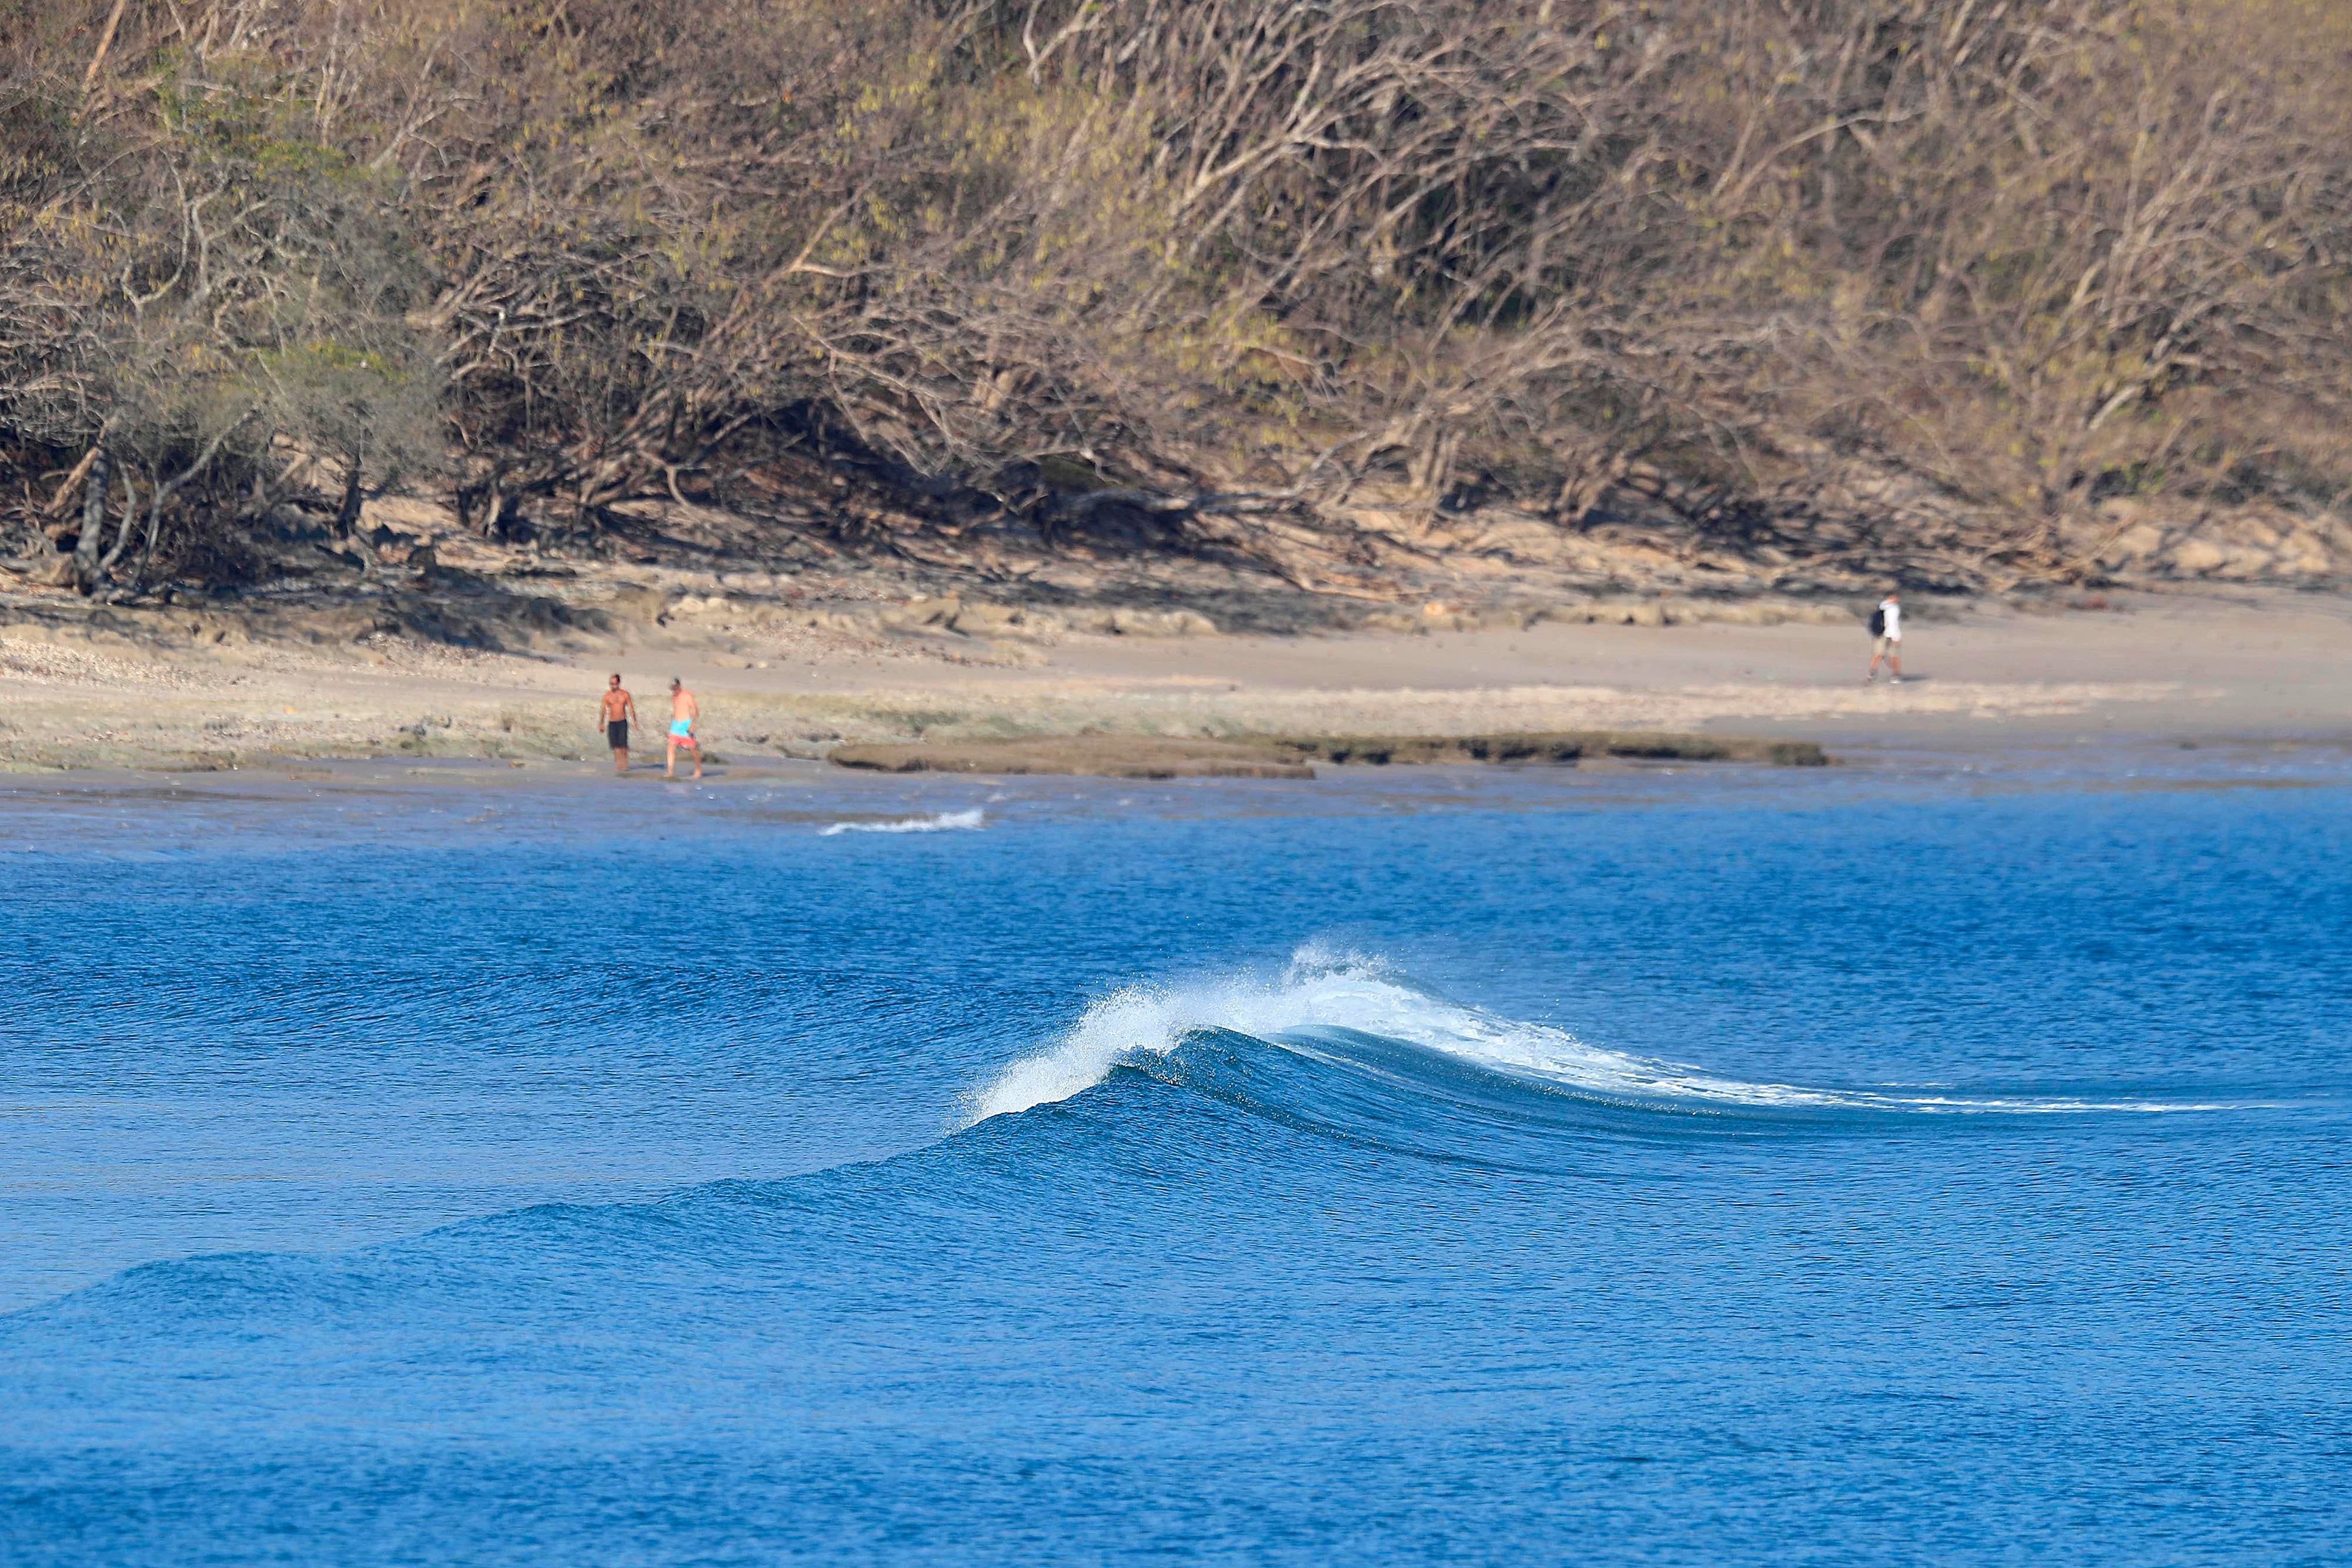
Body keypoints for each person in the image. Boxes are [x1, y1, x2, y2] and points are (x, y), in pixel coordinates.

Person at [599, 674, 637, 774]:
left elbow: (631, 708)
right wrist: (602, 724)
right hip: (612, 722)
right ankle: (619, 764)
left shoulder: (625, 695)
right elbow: (604, 710)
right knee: (615, 745)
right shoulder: (607, 696)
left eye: (615, 684)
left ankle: (625, 764)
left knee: (623, 745)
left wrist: (635, 722)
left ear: (619, 684)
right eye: (611, 684)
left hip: (622, 722)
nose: (613, 686)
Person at [666, 678, 703, 780]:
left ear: (679, 686)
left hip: (686, 724)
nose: (674, 691)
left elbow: (696, 711)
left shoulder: (687, 695)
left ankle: (699, 770)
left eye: (675, 688)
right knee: (671, 747)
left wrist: (692, 725)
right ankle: (670, 772)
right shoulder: (674, 696)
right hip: (676, 725)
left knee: (693, 749)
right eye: (672, 689)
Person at [1866, 591, 1905, 684]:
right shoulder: (1894, 608)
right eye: (1896, 597)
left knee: (1878, 654)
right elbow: (1893, 624)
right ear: (1892, 597)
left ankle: (1872, 673)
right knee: (1894, 656)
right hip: (1890, 635)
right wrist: (1896, 637)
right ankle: (1896, 676)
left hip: (1880, 633)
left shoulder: (1882, 606)